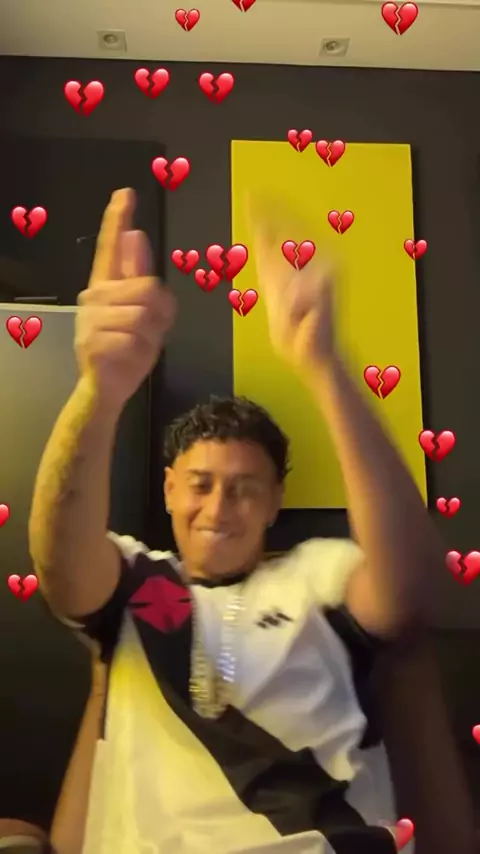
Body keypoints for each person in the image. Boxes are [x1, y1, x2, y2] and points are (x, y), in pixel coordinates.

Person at [28, 188, 444, 854]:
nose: (220, 508)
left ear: (276, 501)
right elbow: (58, 564)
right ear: (169, 490)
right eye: (201, 486)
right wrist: (98, 391)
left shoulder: (319, 576)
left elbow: (409, 587)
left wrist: (325, 367)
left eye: (246, 490)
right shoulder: (143, 586)